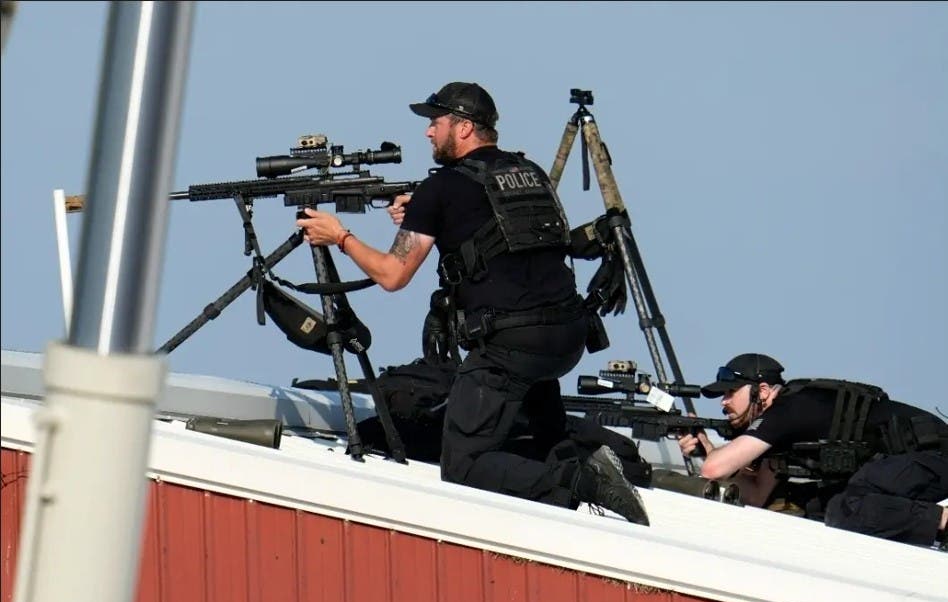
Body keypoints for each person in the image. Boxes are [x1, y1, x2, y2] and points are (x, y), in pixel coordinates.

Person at [296, 81, 649, 526]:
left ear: (463, 128)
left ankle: (586, 482)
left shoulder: (440, 189)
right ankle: (582, 474)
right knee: (543, 436)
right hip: (565, 335)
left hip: (509, 344)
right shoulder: (529, 172)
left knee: (463, 465)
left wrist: (339, 237)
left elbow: (392, 274)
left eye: (435, 122)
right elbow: (499, 230)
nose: (427, 132)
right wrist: (427, 214)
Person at [678, 353, 948, 549]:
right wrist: (710, 454)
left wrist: (711, 455)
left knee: (846, 507)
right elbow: (758, 493)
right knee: (818, 505)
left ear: (761, 390)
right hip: (906, 465)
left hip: (934, 455)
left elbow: (714, 468)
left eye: (731, 392)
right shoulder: (783, 427)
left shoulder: (788, 409)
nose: (724, 402)